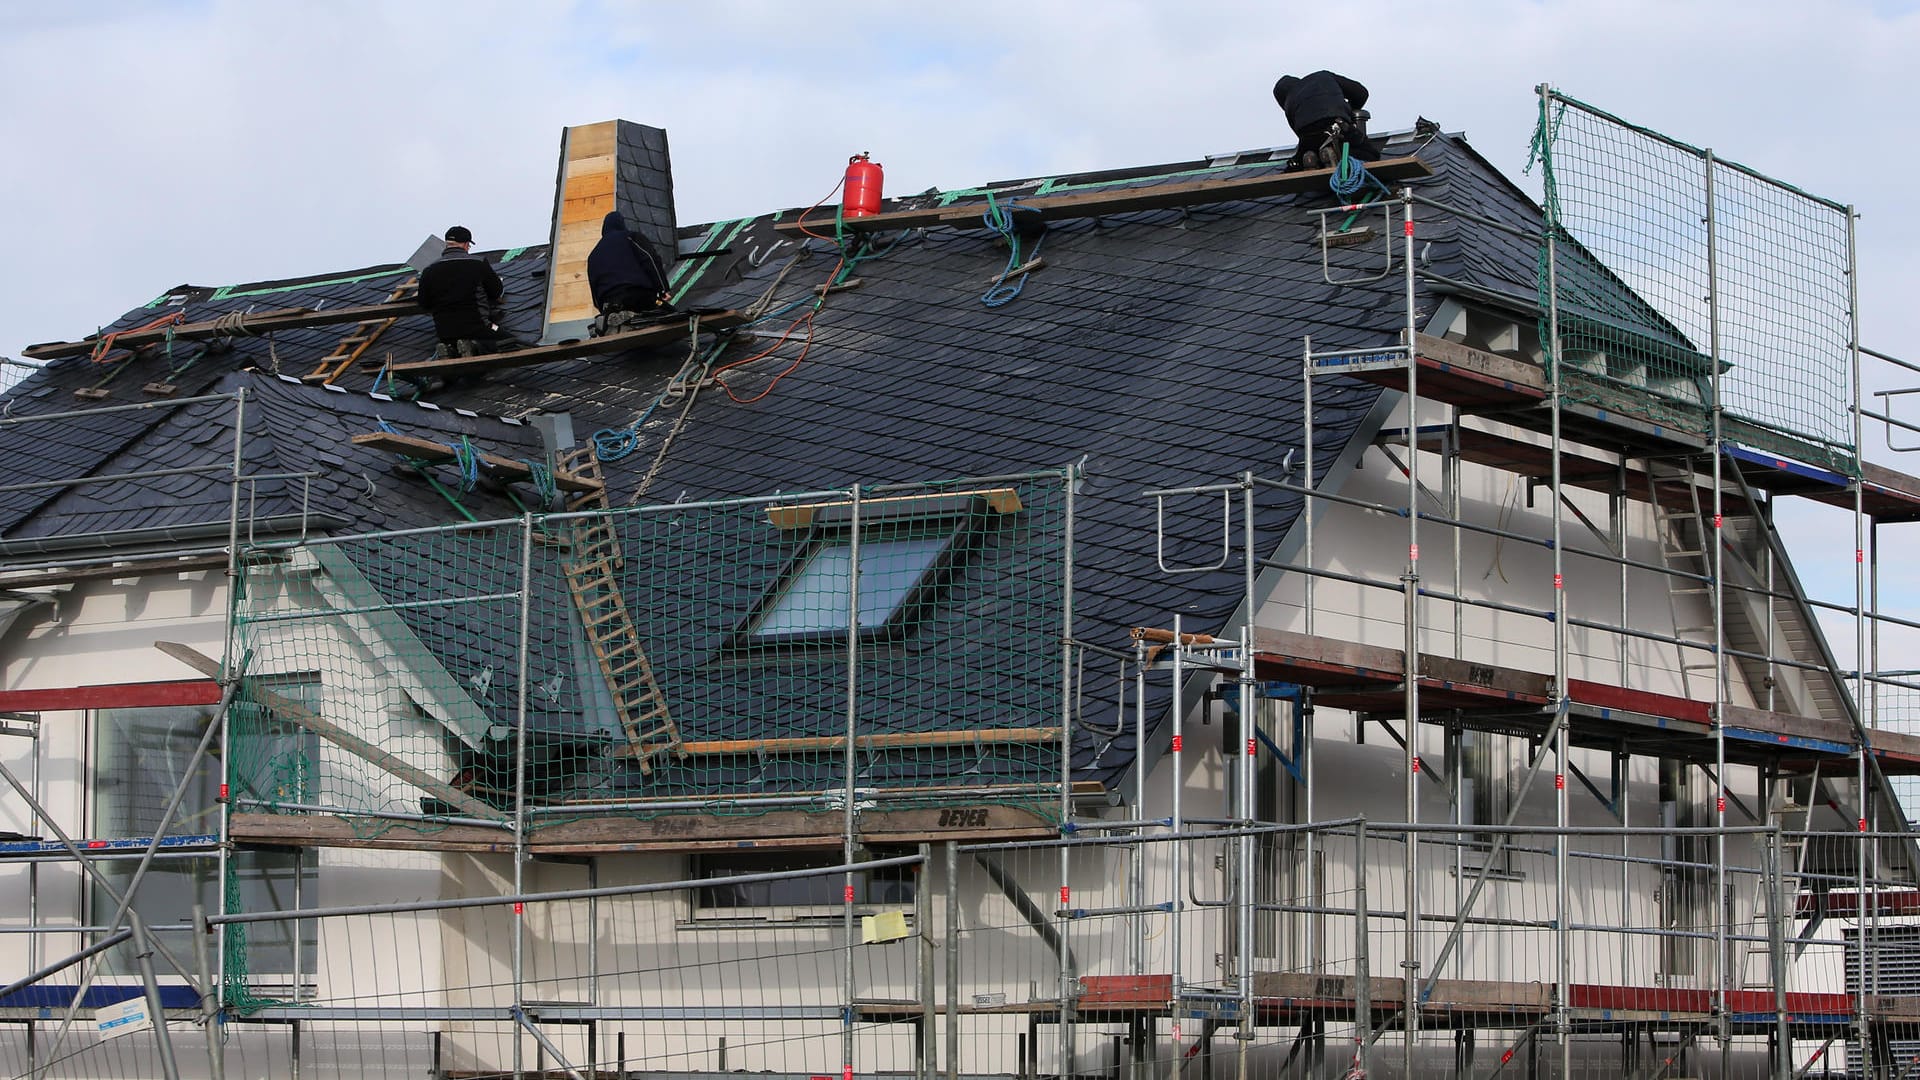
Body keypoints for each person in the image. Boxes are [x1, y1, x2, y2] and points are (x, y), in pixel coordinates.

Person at [416, 226, 514, 358]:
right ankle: (474, 347)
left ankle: (450, 351)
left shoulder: (429, 269)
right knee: (510, 342)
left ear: (447, 245)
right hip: (478, 327)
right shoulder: (478, 263)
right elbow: (497, 292)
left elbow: (424, 303)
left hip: (445, 332)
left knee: (457, 354)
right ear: (466, 244)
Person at [585, 211, 673, 337]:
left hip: (610, 303)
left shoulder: (593, 255)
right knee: (671, 316)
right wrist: (663, 289)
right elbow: (650, 260)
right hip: (637, 294)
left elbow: (594, 289)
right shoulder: (631, 237)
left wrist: (603, 310)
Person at [1272, 71, 1381, 172]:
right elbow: (1361, 93)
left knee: (1298, 162)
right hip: (1337, 126)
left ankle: (1313, 159)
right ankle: (1329, 155)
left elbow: (1300, 133)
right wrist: (1349, 114)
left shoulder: (1289, 101)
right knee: (1370, 155)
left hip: (1308, 138)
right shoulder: (1323, 76)